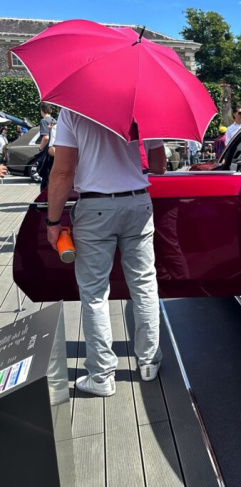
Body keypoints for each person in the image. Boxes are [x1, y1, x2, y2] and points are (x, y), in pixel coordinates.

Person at [46, 111, 167, 397]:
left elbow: (63, 172)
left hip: (94, 207)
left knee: (95, 293)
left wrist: (53, 222)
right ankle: (149, 363)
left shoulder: (72, 112)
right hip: (138, 203)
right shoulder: (144, 109)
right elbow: (160, 167)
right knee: (145, 286)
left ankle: (101, 375)